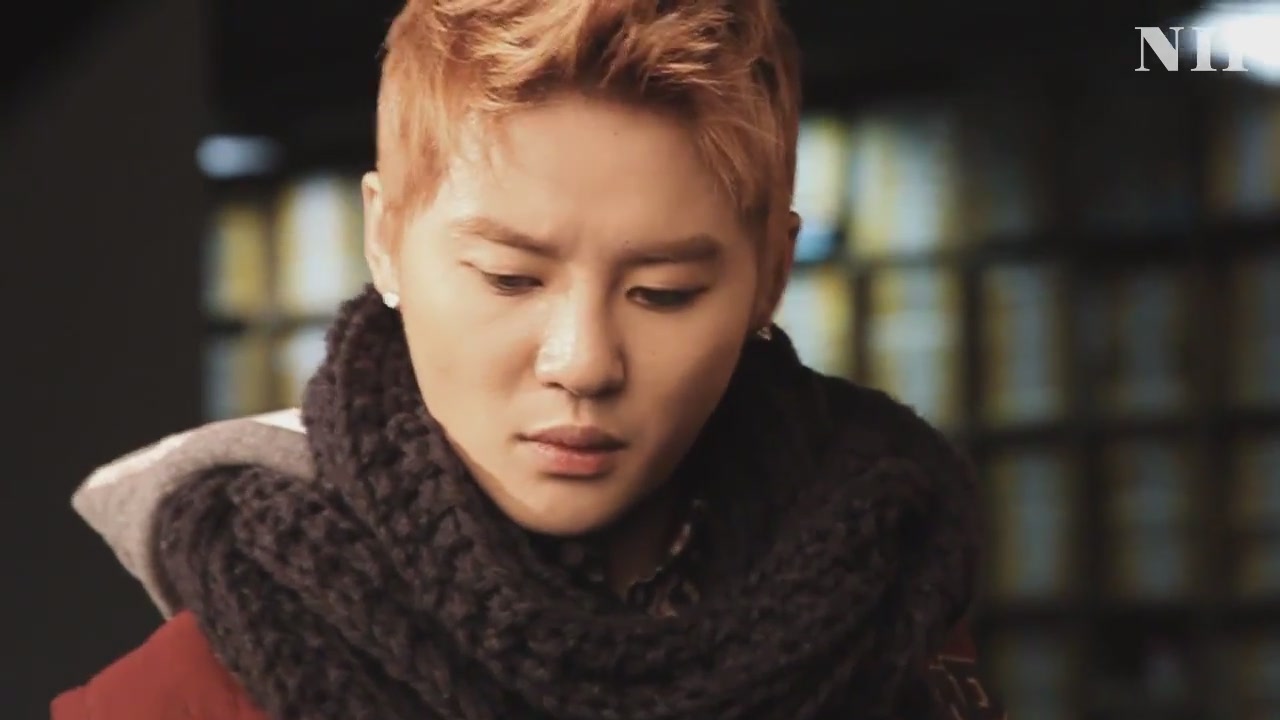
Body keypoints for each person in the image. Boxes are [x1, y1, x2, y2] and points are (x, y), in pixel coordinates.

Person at [52, 0, 1007, 718]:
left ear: (771, 274)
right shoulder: (187, 696)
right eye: (510, 279)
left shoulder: (886, 606)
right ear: (384, 240)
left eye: (664, 291)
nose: (583, 363)